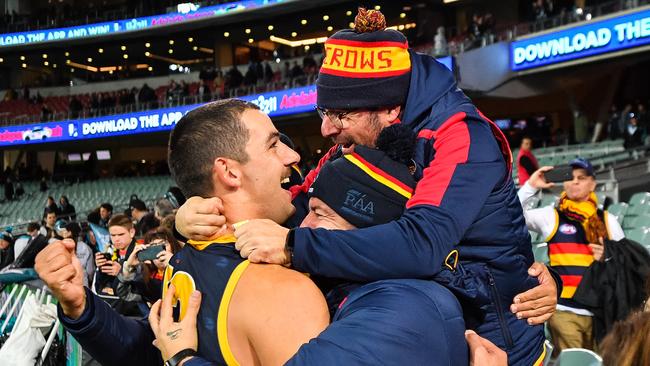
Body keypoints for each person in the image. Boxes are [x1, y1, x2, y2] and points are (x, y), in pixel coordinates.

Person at [178, 8, 556, 364]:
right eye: (324, 113)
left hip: (495, 338)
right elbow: (297, 201)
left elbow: (422, 244)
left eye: (341, 115)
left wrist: (295, 246)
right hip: (429, 316)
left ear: (391, 112)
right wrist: (199, 211)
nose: (327, 129)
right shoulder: (358, 140)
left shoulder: (462, 136)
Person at [35, 99, 500, 366]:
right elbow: (153, 347)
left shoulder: (215, 256)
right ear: (230, 173)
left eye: (322, 213)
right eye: (275, 143)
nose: (293, 157)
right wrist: (82, 307)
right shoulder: (282, 285)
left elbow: (162, 351)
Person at [518, 158, 625, 354]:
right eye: (571, 177)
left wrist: (608, 257)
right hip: (564, 311)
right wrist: (531, 186)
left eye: (582, 178)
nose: (575, 182)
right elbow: (512, 214)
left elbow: (625, 264)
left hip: (601, 311)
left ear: (592, 183)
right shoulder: (552, 216)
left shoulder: (608, 221)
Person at [93, 214, 140, 316]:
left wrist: (122, 272)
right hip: (117, 309)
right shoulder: (110, 253)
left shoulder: (140, 252)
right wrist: (100, 268)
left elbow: (143, 285)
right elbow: (100, 286)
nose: (116, 239)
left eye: (121, 234)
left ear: (131, 232)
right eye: (113, 236)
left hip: (136, 312)